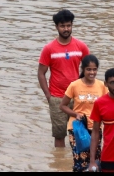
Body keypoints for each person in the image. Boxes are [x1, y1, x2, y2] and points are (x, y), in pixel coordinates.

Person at [37, 9, 91, 148]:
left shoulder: (81, 47)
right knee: (59, 135)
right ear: (56, 27)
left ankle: (78, 163)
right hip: (57, 97)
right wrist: (49, 97)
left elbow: (89, 70)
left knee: (80, 133)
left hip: (78, 97)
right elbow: (41, 73)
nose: (66, 29)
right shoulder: (49, 49)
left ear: (72, 25)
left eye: (68, 25)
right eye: (62, 26)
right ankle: (60, 164)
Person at [61, 54, 105, 173]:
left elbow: (108, 104)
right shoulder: (74, 85)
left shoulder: (101, 86)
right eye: (88, 69)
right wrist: (75, 114)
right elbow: (63, 106)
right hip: (77, 129)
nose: (92, 72)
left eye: (94, 69)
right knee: (80, 162)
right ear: (83, 69)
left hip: (95, 128)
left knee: (95, 162)